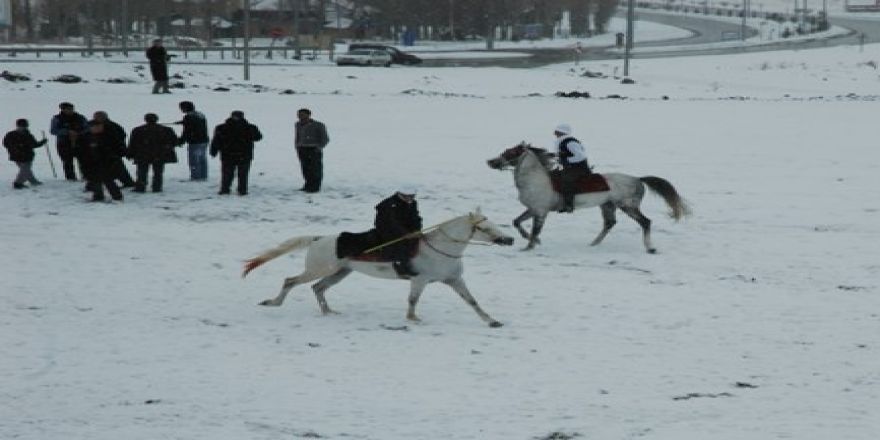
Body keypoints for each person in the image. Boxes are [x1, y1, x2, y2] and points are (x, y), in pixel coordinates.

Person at [210, 110, 262, 196]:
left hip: (228, 154)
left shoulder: (221, 127)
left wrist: (213, 151)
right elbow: (258, 137)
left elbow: (216, 141)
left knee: (227, 174)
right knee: (243, 174)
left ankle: (225, 189)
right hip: (244, 154)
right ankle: (242, 190)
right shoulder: (250, 127)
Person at [374, 187, 423, 278]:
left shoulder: (412, 203)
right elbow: (393, 222)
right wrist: (405, 234)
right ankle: (401, 266)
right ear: (400, 194)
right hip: (386, 229)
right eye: (408, 196)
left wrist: (417, 230)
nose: (410, 199)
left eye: (412, 196)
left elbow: (415, 218)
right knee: (400, 243)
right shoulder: (389, 205)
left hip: (405, 229)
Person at [127, 113, 179, 193]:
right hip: (160, 154)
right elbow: (174, 142)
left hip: (143, 154)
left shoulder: (137, 130)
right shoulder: (166, 130)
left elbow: (133, 144)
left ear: (145, 119)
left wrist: (130, 154)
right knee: (158, 172)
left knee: (142, 172)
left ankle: (141, 187)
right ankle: (157, 187)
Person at [77, 119, 125, 202]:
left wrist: (114, 157)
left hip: (107, 162)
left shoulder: (109, 135)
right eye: (95, 127)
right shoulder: (84, 137)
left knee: (108, 180)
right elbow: (80, 151)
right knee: (94, 180)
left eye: (100, 126)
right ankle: (98, 196)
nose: (98, 128)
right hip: (90, 162)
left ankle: (117, 196)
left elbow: (118, 147)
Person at [553, 123, 591, 213]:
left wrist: (566, 160)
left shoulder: (570, 142)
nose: (555, 134)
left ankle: (569, 205)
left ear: (562, 132)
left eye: (557, 132)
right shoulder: (562, 142)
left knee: (566, 181)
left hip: (579, 169)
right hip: (569, 168)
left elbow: (581, 156)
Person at [92, 111, 135, 188]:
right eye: (96, 117)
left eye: (100, 117)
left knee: (118, 168)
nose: (98, 118)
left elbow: (121, 136)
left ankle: (127, 182)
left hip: (112, 151)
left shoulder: (112, 125)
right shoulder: (90, 124)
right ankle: (93, 185)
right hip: (97, 151)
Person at [3, 119, 47, 189]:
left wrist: (42, 142)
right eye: (21, 126)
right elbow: (5, 143)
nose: (22, 128)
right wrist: (16, 147)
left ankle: (33, 181)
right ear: (17, 126)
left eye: (24, 126)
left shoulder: (29, 135)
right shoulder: (10, 135)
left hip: (28, 156)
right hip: (16, 155)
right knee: (25, 169)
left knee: (26, 169)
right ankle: (18, 183)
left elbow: (34, 144)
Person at [49, 102, 88, 181]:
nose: (70, 111)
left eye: (71, 109)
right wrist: (67, 132)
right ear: (62, 110)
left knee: (83, 160)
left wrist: (78, 132)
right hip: (64, 143)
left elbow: (87, 128)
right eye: (67, 109)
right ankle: (71, 178)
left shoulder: (80, 118)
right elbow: (53, 130)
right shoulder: (57, 118)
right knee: (67, 161)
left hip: (80, 142)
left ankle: (86, 176)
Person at [294, 108, 329, 193]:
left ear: (308, 115)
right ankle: (308, 185)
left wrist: (319, 147)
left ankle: (315, 187)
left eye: (302, 114)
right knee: (305, 169)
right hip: (302, 149)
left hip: (314, 149)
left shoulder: (318, 125)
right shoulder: (298, 124)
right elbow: (297, 136)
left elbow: (325, 138)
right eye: (299, 114)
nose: (300, 116)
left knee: (315, 169)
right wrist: (297, 146)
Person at [175, 101, 209, 181]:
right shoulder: (200, 114)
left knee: (194, 160)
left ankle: (196, 177)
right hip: (203, 140)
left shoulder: (188, 117)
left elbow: (187, 131)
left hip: (195, 141)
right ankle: (203, 176)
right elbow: (196, 124)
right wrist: (183, 122)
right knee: (202, 159)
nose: (181, 110)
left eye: (181, 108)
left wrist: (181, 141)